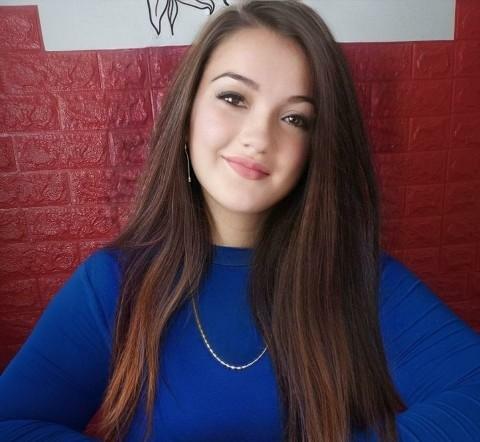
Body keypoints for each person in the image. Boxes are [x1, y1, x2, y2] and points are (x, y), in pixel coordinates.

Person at [1, 0, 479, 441]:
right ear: (187, 113)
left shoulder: (359, 278)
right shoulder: (115, 283)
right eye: (233, 98)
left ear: (316, 150)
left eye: (295, 119)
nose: (259, 137)